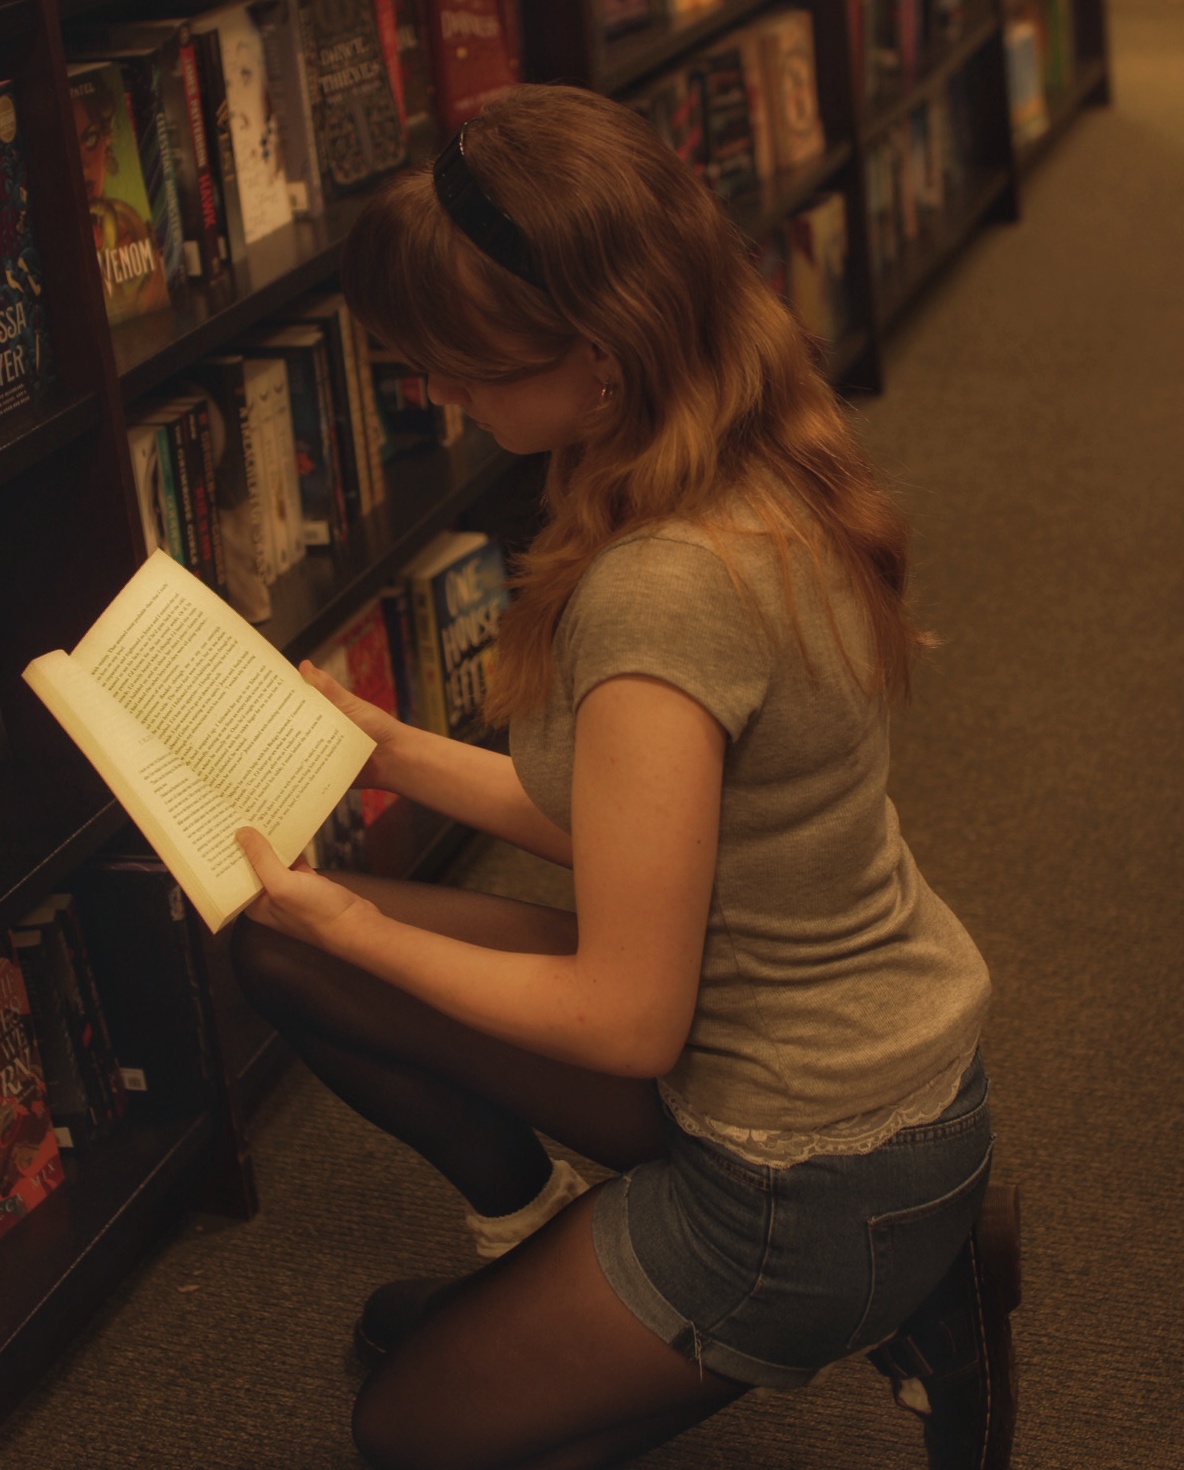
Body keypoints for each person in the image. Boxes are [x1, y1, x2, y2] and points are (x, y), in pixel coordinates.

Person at [231, 85, 1021, 1470]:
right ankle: (562, 1256)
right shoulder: (735, 440)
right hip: (845, 1052)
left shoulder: (662, 589)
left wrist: (357, 918)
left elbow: (622, 1021)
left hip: (803, 1172)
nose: (449, 402)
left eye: (472, 370)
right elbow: (638, 826)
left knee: (408, 1430)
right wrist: (384, 744)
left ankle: (894, 1294)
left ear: (600, 354)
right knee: (289, 953)